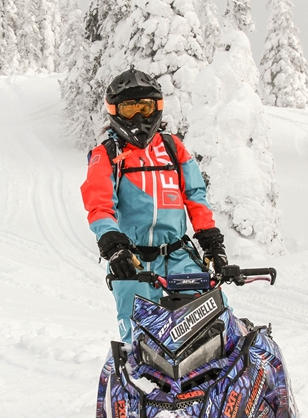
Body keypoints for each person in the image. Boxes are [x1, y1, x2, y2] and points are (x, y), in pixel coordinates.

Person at [80, 67, 230, 343]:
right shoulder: (107, 154)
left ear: (158, 108)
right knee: (140, 334)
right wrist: (113, 244)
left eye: (145, 108)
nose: (139, 117)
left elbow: (195, 197)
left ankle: (214, 379)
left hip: (178, 255)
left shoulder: (174, 148)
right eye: (129, 110)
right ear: (114, 112)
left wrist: (212, 244)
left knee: (212, 315)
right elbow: (99, 204)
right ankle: (141, 380)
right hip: (132, 258)